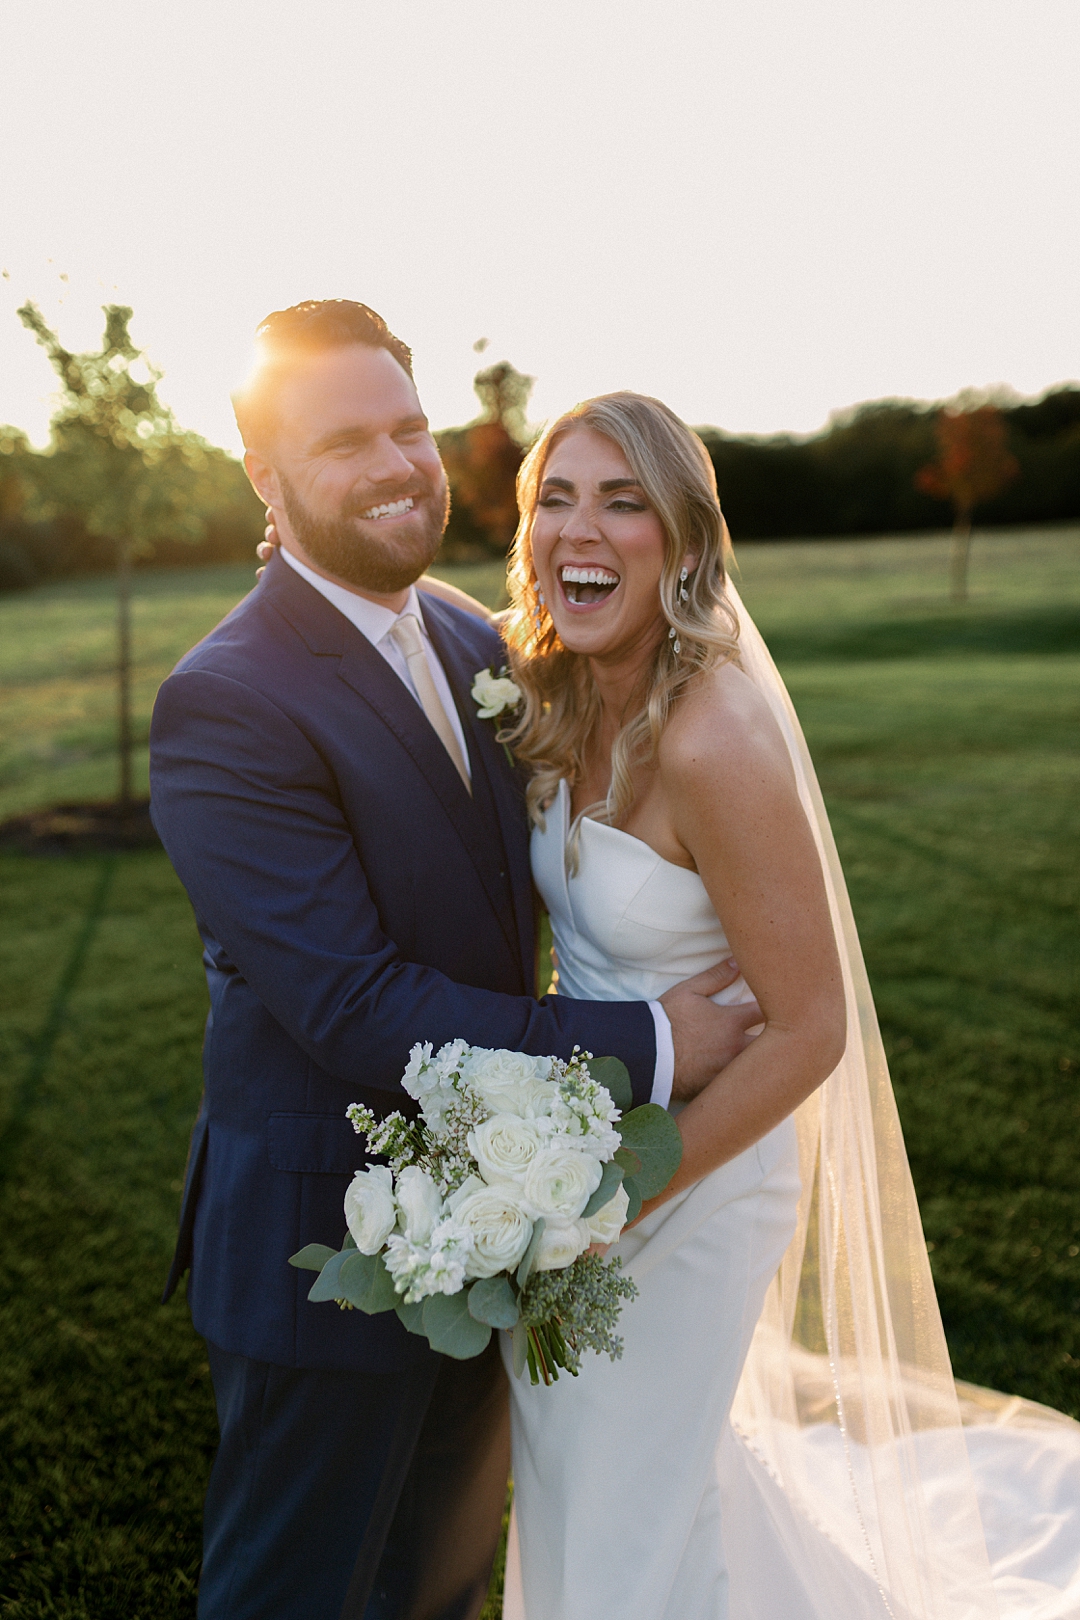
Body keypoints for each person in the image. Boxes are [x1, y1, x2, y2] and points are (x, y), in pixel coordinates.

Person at [148, 303, 762, 1620]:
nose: (396, 463)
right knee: (295, 1596)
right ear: (263, 477)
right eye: (343, 441)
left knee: (438, 1587)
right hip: (329, 1245)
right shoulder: (229, 699)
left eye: (408, 426)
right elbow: (356, 1006)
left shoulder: (476, 639)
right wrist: (655, 1044)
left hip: (504, 1225)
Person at [487, 392, 1080, 1619]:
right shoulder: (558, 688)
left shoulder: (715, 739)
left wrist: (614, 1195)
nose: (578, 529)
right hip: (571, 1161)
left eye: (621, 500)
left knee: (623, 1501)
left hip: (701, 1171)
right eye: (555, 496)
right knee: (589, 1473)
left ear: (687, 541)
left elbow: (812, 1029)